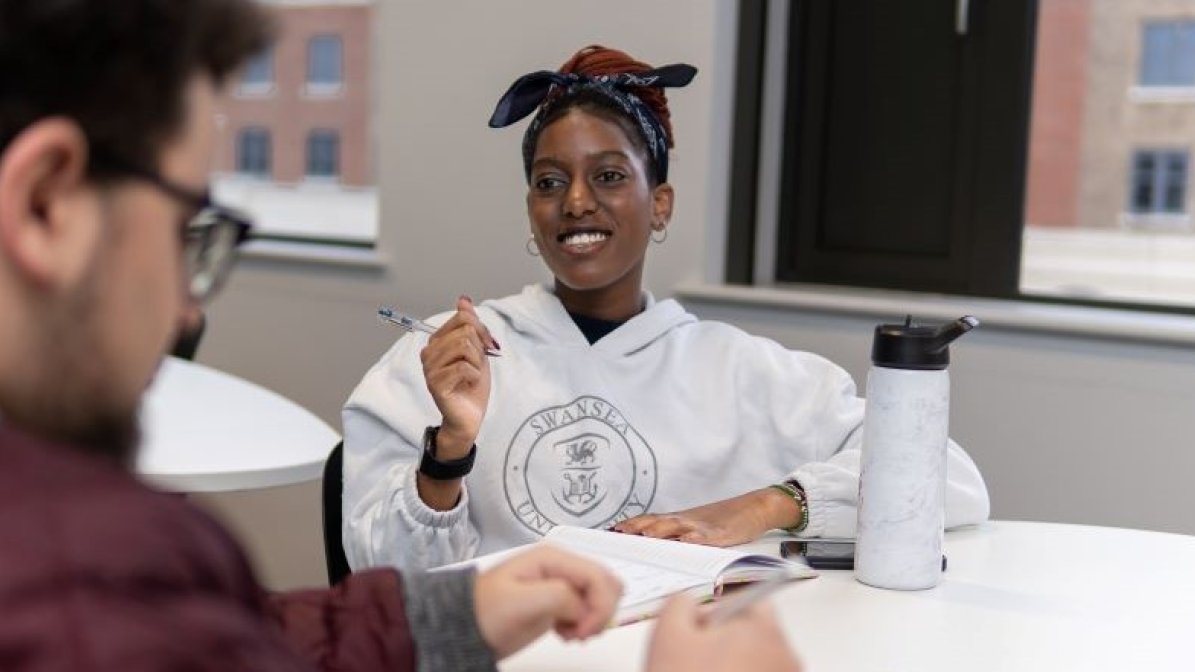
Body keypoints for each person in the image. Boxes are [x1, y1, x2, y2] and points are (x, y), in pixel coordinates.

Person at [0, 3, 770, 670]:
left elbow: (238, 641)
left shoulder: (122, 573)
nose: (189, 313)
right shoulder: (84, 581)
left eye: (609, 177)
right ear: (43, 204)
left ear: (658, 202)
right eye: (183, 233)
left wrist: (452, 617)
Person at [341, 45, 991, 575]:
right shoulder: (446, 361)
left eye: (609, 175)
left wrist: (765, 505)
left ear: (660, 205)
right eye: (548, 181)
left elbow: (947, 480)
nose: (574, 202)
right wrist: (448, 451)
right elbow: (382, 580)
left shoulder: (740, 371)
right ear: (530, 211)